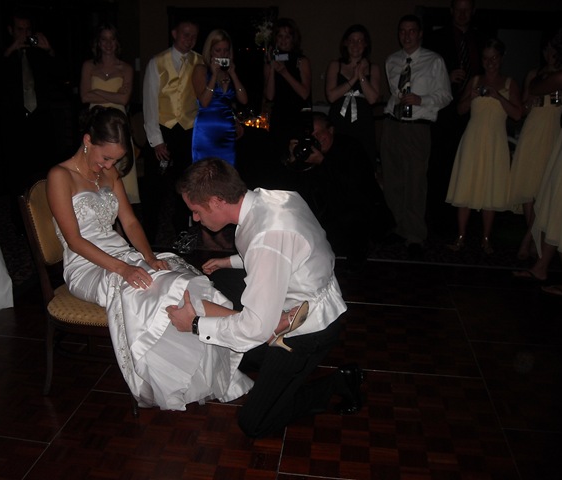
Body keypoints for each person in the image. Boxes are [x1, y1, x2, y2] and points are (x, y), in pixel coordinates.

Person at [47, 106, 301, 410]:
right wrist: (124, 269)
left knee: (177, 277)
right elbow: (74, 240)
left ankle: (254, 327)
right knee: (155, 286)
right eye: (106, 158)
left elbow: (130, 223)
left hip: (121, 255)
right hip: (85, 265)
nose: (110, 165)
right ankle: (261, 327)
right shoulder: (60, 176)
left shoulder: (110, 173)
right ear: (88, 140)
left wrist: (148, 257)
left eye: (115, 160)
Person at [166, 157, 365, 439]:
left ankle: (337, 383)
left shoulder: (267, 239)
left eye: (196, 211)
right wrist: (228, 262)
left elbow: (256, 319)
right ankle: (269, 358)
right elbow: (285, 250)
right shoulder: (273, 198)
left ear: (217, 201)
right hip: (298, 295)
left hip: (307, 328)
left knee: (254, 422)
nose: (196, 219)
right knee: (223, 290)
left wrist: (196, 325)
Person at [284, 112, 394, 273]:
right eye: (311, 135)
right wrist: (294, 159)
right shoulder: (310, 150)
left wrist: (322, 162)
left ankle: (355, 259)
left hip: (357, 209)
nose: (316, 138)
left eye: (319, 133)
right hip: (327, 210)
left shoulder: (350, 146)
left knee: (352, 218)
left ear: (331, 130)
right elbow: (294, 186)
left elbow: (354, 187)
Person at [380, 14, 452, 258]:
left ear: (420, 34)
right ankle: (398, 228)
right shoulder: (392, 60)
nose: (407, 35)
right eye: (402, 31)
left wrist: (422, 99)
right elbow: (394, 93)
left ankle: (414, 235)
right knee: (393, 180)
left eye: (412, 31)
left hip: (417, 128)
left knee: (415, 183)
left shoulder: (434, 61)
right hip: (392, 124)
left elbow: (445, 95)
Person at [0, 7, 71, 227]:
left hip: (41, 124)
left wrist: (50, 50)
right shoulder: (5, 56)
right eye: (19, 29)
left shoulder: (39, 54)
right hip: (15, 126)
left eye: (27, 29)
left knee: (44, 174)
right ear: (11, 30)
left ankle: (46, 219)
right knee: (17, 176)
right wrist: (11, 51)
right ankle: (21, 223)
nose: (24, 33)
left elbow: (63, 75)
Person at [445, 38, 523, 254]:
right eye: (486, 58)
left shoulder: (509, 83)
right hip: (473, 140)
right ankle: (461, 236)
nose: (490, 62)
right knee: (465, 187)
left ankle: (486, 238)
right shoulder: (475, 80)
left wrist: (498, 96)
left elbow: (517, 114)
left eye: (494, 58)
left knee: (490, 189)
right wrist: (470, 97)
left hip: (495, 142)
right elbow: (460, 110)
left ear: (501, 58)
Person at [425, 0, 490, 234]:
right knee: (442, 166)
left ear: (473, 11)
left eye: (467, 9)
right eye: (458, 9)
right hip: (444, 113)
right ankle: (439, 221)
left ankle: (468, 223)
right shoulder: (435, 39)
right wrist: (446, 76)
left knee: (471, 167)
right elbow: (425, 76)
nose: (462, 14)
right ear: (451, 11)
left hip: (476, 112)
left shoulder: (482, 39)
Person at [513, 28, 562, 297]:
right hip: (556, 140)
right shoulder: (557, 75)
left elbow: (537, 88)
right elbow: (528, 96)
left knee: (559, 205)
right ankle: (541, 265)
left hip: (559, 139)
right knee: (550, 200)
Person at [142, 18, 203, 245]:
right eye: (186, 34)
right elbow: (149, 103)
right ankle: (148, 237)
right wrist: (156, 140)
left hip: (188, 131)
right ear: (175, 34)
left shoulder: (200, 61)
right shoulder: (157, 62)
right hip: (163, 130)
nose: (190, 40)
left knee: (185, 186)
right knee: (154, 189)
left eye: (194, 36)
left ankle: (182, 234)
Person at [80, 22, 141, 207]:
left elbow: (124, 100)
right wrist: (114, 95)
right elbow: (84, 96)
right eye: (104, 39)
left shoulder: (126, 69)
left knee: (118, 168)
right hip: (96, 123)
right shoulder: (89, 66)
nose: (108, 43)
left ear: (117, 42)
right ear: (98, 42)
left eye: (112, 39)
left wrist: (97, 91)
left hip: (117, 123)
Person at [325, 24, 381, 172]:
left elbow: (372, 99)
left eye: (360, 40)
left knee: (362, 165)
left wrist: (361, 74)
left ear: (366, 44)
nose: (356, 44)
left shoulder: (374, 68)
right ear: (345, 43)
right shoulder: (335, 65)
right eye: (352, 40)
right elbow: (331, 96)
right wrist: (353, 78)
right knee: (337, 163)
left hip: (362, 121)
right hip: (339, 120)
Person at [191, 29, 248, 166]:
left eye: (226, 50)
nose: (223, 54)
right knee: (204, 170)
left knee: (227, 171)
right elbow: (204, 102)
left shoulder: (228, 72)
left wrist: (233, 74)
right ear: (210, 51)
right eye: (218, 50)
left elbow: (244, 100)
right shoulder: (201, 70)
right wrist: (214, 75)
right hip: (206, 131)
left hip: (227, 131)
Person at [263, 18, 312, 164]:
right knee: (277, 158)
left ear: (293, 39)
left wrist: (284, 72)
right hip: (279, 118)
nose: (283, 40)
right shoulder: (270, 63)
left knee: (298, 158)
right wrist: (272, 67)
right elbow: (270, 96)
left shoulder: (301, 61)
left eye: (287, 36)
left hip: (297, 117)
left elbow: (304, 93)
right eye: (280, 36)